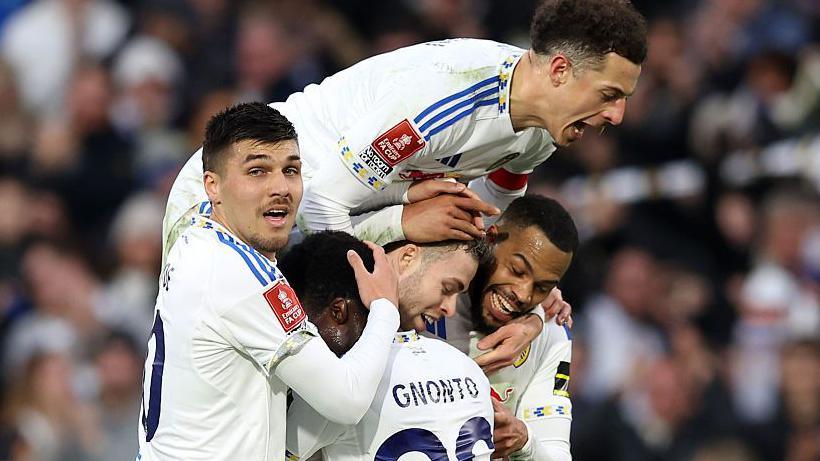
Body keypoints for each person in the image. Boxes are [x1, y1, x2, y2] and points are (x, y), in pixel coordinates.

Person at [162, 0, 647, 252]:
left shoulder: (541, 131)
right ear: (559, 71)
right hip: (229, 201)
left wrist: (522, 293)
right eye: (609, 96)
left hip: (305, 222)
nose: (617, 116)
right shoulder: (442, 101)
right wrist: (401, 223)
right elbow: (319, 203)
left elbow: (483, 218)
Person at [137, 102, 402, 460]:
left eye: (290, 170)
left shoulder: (197, 232)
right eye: (257, 171)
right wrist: (386, 306)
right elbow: (347, 400)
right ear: (212, 186)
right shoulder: (241, 276)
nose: (281, 187)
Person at [280, 231, 496, 461]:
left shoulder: (345, 377)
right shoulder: (465, 365)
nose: (450, 310)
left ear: (339, 310)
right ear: (406, 258)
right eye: (447, 288)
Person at [435, 195, 579, 461]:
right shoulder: (429, 291)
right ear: (490, 239)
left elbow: (557, 453)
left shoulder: (553, 333)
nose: (524, 295)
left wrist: (524, 442)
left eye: (542, 287)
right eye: (517, 270)